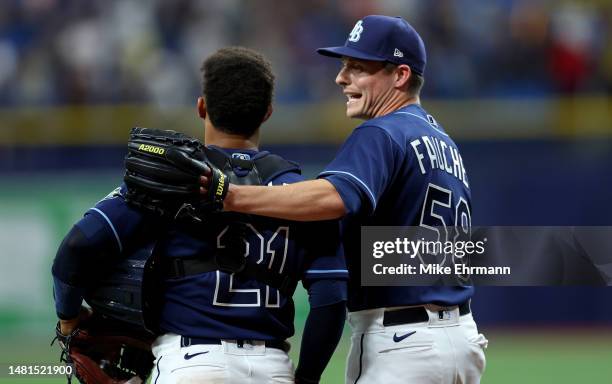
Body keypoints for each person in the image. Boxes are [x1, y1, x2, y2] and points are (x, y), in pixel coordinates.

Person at [201, 16, 487, 383]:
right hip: (459, 337)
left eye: (357, 67)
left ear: (399, 76)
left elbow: (334, 198)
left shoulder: (382, 132)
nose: (341, 77)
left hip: (403, 343)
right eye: (343, 66)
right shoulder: (442, 141)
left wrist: (233, 195)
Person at [52, 46, 348, 384]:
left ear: (201, 106)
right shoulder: (302, 195)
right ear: (267, 113)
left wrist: (69, 320)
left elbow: (76, 248)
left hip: (190, 362)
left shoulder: (168, 178)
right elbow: (330, 299)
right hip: (271, 367)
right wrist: (306, 378)